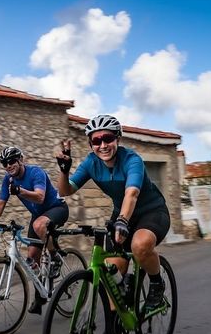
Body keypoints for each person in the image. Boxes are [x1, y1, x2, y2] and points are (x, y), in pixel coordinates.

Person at [54, 114, 170, 311]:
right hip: (122, 215)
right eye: (96, 141)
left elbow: (131, 193)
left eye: (108, 138)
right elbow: (65, 191)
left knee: (139, 246)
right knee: (111, 271)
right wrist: (64, 172)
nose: (103, 145)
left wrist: (123, 220)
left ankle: (157, 284)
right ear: (91, 144)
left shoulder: (132, 160)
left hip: (152, 211)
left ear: (118, 138)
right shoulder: (91, 163)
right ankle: (114, 327)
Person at [0, 146, 69, 315]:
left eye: (12, 161)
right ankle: (41, 296)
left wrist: (21, 191)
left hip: (57, 208)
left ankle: (55, 257)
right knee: (32, 259)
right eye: (4, 163)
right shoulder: (8, 180)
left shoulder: (36, 173)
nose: (8, 165)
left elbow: (40, 196)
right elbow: (1, 202)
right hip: (38, 215)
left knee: (38, 225)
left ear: (20, 160)